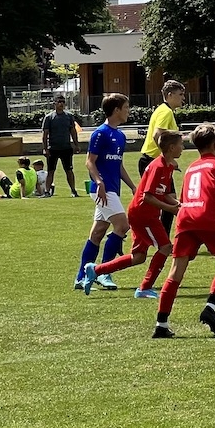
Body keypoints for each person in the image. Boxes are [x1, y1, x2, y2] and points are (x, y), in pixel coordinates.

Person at [154, 123, 215, 338]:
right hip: (206, 218)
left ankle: (161, 324)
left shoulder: (191, 167)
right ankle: (210, 307)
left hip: (185, 217)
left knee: (176, 272)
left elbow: (183, 199)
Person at [83, 131, 182, 298]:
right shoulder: (158, 167)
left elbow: (162, 193)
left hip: (144, 213)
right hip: (144, 215)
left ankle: (96, 270)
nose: (182, 148)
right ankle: (144, 288)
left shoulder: (168, 166)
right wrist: (170, 209)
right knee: (165, 247)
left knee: (138, 257)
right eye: (180, 144)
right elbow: (147, 196)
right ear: (172, 148)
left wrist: (178, 204)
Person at [74, 93, 138, 291]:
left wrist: (133, 186)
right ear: (116, 110)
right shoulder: (100, 133)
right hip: (102, 190)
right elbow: (89, 162)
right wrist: (99, 181)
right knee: (122, 225)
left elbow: (119, 166)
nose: (128, 111)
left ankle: (81, 277)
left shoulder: (120, 136)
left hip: (112, 190)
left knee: (98, 233)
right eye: (126, 107)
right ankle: (103, 272)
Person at [138, 80, 185, 234]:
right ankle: (159, 237)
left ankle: (161, 237)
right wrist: (168, 159)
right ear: (169, 95)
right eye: (180, 94)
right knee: (160, 201)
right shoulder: (166, 112)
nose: (183, 98)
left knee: (168, 199)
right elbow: (157, 135)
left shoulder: (163, 110)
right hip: (153, 162)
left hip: (151, 160)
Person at [42, 94, 81, 197]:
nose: (61, 104)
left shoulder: (69, 116)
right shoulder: (49, 117)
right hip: (53, 148)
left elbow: (73, 131)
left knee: (69, 170)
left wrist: (76, 144)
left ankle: (73, 191)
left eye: (63, 102)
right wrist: (45, 148)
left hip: (66, 148)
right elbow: (45, 134)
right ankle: (47, 191)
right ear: (54, 103)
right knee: (50, 171)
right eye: (59, 102)